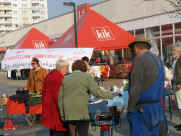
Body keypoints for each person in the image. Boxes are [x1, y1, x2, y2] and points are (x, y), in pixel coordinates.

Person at [58, 60, 113, 136]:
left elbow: (60, 98)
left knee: (72, 132)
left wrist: (62, 114)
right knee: (83, 133)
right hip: (82, 111)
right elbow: (97, 92)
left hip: (69, 111)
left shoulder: (65, 78)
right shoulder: (86, 77)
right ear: (84, 68)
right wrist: (111, 95)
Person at [127, 37, 165, 136]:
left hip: (142, 108)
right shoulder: (158, 59)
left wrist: (130, 108)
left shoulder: (139, 59)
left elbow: (135, 87)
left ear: (136, 48)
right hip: (157, 106)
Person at [42, 59, 69, 136]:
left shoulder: (50, 75)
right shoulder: (58, 78)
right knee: (59, 130)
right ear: (62, 68)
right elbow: (59, 97)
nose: (67, 71)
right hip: (55, 110)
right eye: (67, 68)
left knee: (53, 130)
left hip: (49, 108)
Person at [172, 43, 181, 130]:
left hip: (179, 85)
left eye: (174, 50)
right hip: (177, 84)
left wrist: (180, 83)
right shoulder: (176, 60)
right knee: (179, 105)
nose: (172, 52)